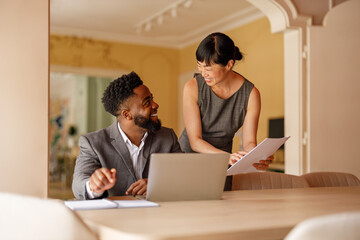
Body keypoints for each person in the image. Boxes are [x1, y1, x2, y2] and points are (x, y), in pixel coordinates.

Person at [179, 32, 272, 190]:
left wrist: (256, 158)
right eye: (199, 66)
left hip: (224, 161)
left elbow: (249, 142)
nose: (203, 74)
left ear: (229, 64)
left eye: (208, 68)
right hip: (189, 158)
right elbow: (195, 141)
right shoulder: (192, 87)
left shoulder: (251, 94)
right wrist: (227, 157)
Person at [72, 72, 182, 200]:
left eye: (152, 98)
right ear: (127, 114)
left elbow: (184, 176)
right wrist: (93, 185)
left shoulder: (168, 137)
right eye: (147, 102)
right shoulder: (92, 143)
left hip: (158, 214)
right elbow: (78, 185)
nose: (155, 105)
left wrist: (158, 185)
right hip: (115, 216)